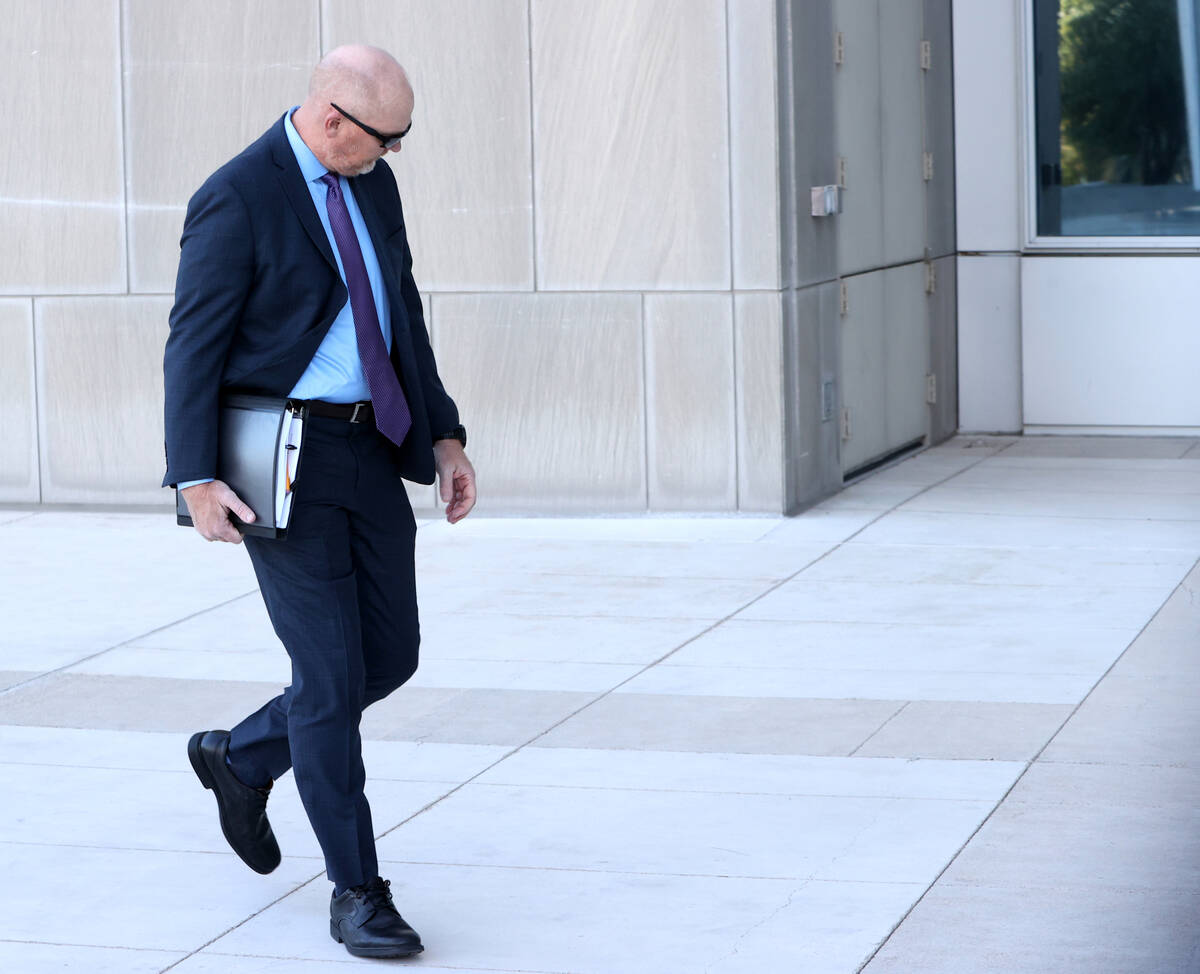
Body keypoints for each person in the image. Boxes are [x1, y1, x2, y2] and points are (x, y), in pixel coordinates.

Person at [162, 44, 476, 960]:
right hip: (277, 463)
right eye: (385, 139)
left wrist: (445, 434)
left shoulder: (371, 184)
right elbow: (193, 343)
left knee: (392, 654)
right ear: (332, 117)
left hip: (370, 449)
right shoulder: (238, 194)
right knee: (332, 682)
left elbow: (401, 313)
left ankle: (245, 755)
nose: (392, 157)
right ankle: (358, 891)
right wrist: (194, 476)